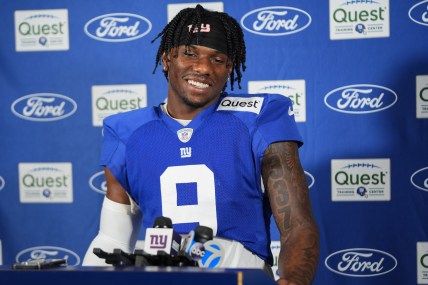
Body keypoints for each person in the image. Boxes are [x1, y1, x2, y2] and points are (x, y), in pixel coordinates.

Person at [83, 4, 319, 285]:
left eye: (218, 59)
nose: (204, 68)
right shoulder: (128, 132)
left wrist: (293, 279)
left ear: (230, 67)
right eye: (190, 54)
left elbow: (297, 225)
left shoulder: (257, 118)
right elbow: (112, 237)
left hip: (241, 276)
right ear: (167, 58)